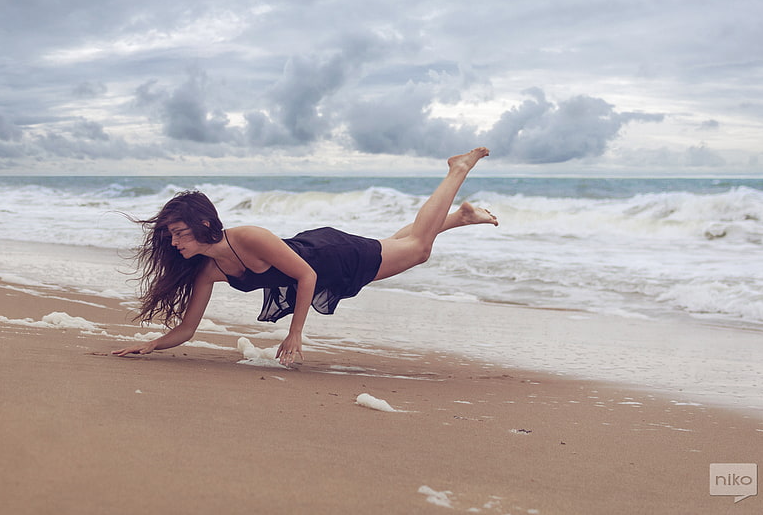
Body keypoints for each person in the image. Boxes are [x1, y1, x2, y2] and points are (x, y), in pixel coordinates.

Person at [112, 147, 497, 365]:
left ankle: (457, 170)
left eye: (179, 233)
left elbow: (306, 276)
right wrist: (152, 345)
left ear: (203, 224)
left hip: (332, 257)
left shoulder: (249, 237)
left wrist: (295, 334)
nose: (175, 243)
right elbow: (188, 329)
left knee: (418, 250)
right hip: (321, 256)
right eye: (172, 236)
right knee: (397, 247)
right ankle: (459, 217)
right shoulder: (207, 270)